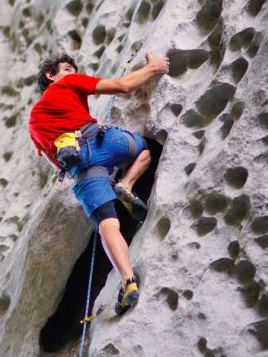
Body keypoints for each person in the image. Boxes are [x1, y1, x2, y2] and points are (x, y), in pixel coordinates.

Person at [28, 52, 169, 315]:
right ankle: (126, 183)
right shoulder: (68, 83)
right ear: (51, 75)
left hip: (78, 166)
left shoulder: (33, 123)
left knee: (107, 225)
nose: (72, 71)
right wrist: (153, 68)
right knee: (144, 151)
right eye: (67, 68)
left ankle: (128, 282)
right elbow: (123, 86)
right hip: (104, 143)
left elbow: (55, 163)